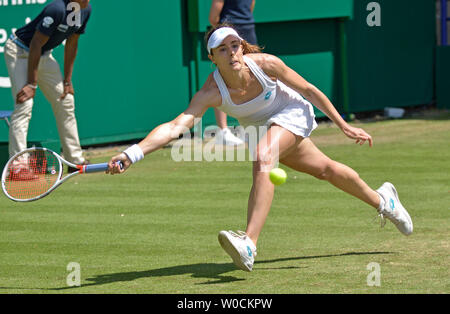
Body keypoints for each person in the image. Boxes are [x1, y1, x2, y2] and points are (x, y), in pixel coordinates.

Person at [107, 25, 413, 272]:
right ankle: (384, 201)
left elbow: (308, 90)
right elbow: (175, 126)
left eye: (235, 45)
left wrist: (343, 124)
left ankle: (249, 243)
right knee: (326, 170)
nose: (232, 53)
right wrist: (132, 153)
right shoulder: (211, 91)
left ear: (242, 46)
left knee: (265, 156)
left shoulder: (266, 65)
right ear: (212, 57)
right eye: (222, 49)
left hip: (292, 115)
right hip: (265, 130)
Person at [4, 0, 91, 176]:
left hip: (43, 55)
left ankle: (75, 160)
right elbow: (35, 44)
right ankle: (18, 166)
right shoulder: (56, 9)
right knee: (24, 105)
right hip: (20, 52)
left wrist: (67, 80)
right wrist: (31, 83)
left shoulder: (85, 10)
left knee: (66, 100)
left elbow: (72, 43)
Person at [209, 0, 257, 146]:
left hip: (242, 28)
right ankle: (223, 131)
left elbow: (214, 17)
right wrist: (223, 34)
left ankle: (252, 127)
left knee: (251, 76)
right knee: (223, 80)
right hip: (230, 29)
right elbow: (214, 16)